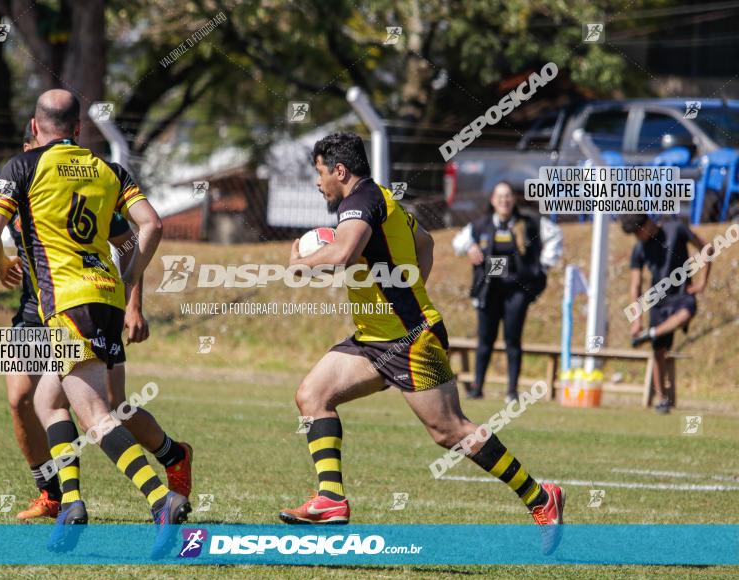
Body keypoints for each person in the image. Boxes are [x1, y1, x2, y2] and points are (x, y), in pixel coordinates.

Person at [279, 132, 564, 552]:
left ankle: (541, 497)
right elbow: (426, 243)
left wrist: (299, 262)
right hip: (374, 339)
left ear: (340, 171)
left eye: (319, 173)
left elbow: (340, 255)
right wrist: (409, 289)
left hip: (411, 340)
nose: (317, 182)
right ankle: (331, 500)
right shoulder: (382, 201)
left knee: (449, 432)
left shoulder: (358, 204)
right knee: (312, 396)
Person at [0, 121, 193, 521]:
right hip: (37, 311)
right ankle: (58, 496)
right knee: (30, 399)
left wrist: (134, 304)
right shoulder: (18, 187)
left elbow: (130, 245)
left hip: (80, 300)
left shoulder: (75, 189)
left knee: (109, 406)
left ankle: (170, 461)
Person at [452, 182, 562, 402]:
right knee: (485, 340)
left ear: (514, 200)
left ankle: (512, 391)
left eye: (508, 196)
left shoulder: (529, 223)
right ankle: (477, 387)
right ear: (493, 200)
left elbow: (555, 235)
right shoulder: (481, 225)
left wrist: (544, 265)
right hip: (489, 289)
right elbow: (458, 241)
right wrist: (470, 247)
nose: (504, 200)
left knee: (513, 340)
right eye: (500, 196)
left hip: (516, 290)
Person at [620, 214, 710, 414]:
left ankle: (652, 333)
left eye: (637, 232)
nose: (637, 237)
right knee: (658, 353)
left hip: (681, 295)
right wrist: (636, 320)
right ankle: (661, 400)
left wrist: (702, 282)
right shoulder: (639, 249)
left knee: (686, 313)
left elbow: (707, 248)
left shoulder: (676, 229)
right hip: (658, 303)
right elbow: (635, 285)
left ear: (647, 223)